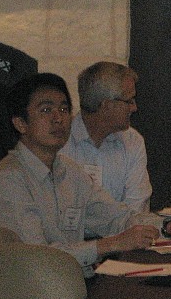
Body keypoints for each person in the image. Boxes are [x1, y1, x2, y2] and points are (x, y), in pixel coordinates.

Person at [0, 73, 171, 277]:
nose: (58, 118)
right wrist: (111, 244)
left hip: (71, 282)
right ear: (20, 123)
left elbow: (116, 218)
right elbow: (39, 257)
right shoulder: (9, 179)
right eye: (46, 110)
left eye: (63, 109)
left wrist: (168, 227)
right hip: (35, 295)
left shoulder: (68, 171)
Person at [61, 61, 152, 213]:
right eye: (129, 101)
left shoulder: (133, 142)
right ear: (106, 106)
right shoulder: (59, 141)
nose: (134, 108)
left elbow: (136, 208)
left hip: (124, 227)